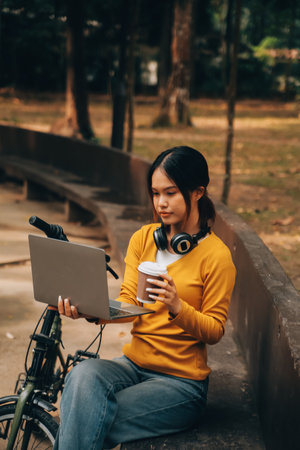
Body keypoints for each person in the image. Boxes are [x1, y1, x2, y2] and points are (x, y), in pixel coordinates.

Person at [54, 146, 236, 449]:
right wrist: (88, 309)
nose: (161, 203)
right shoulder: (143, 238)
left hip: (181, 383)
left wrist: (177, 306)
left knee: (87, 417)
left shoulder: (217, 257)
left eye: (171, 193)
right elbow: (129, 301)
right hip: (133, 365)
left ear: (197, 192)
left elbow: (215, 330)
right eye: (155, 193)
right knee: (82, 375)